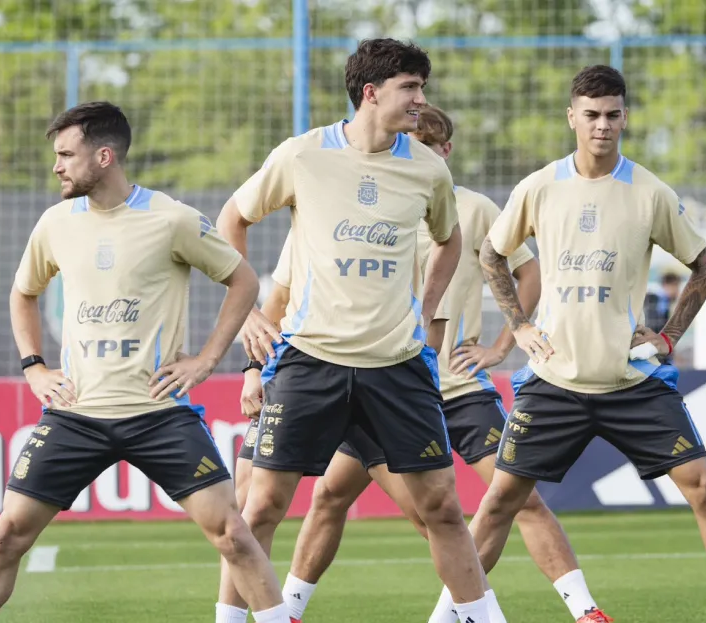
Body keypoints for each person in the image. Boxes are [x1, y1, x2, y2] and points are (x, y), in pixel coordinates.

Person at [235, 105, 608, 623]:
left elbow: (525, 271)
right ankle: (292, 609)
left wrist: (501, 344)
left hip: (449, 386)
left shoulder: (469, 208)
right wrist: (254, 366)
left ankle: (578, 608)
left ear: (444, 154)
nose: (417, 150)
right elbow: (279, 291)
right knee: (320, 499)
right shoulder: (333, 196)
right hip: (357, 374)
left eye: (428, 143)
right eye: (410, 138)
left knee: (499, 499)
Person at [0, 102, 290, 623]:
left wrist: (206, 360)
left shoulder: (172, 218)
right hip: (75, 415)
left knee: (233, 533)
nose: (57, 166)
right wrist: (34, 367)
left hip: (158, 413)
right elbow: (22, 294)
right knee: (5, 537)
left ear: (105, 156)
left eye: (67, 154)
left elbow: (242, 280)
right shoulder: (55, 223)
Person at [470, 64, 706, 623]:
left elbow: (704, 267)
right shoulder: (538, 187)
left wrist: (668, 336)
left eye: (612, 115)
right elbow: (492, 253)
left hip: (632, 382)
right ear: (572, 118)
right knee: (499, 505)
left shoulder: (650, 191)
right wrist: (519, 325)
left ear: (624, 118)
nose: (602, 126)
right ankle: (453, 613)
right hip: (554, 382)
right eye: (591, 115)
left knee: (704, 488)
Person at [215, 39, 491, 623]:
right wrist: (250, 314)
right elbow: (231, 221)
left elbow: (450, 239)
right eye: (409, 88)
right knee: (261, 505)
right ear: (371, 93)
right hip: (309, 359)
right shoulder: (303, 155)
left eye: (422, 87)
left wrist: (426, 307)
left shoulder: (427, 166)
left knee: (442, 507)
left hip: (398, 365)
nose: (421, 99)